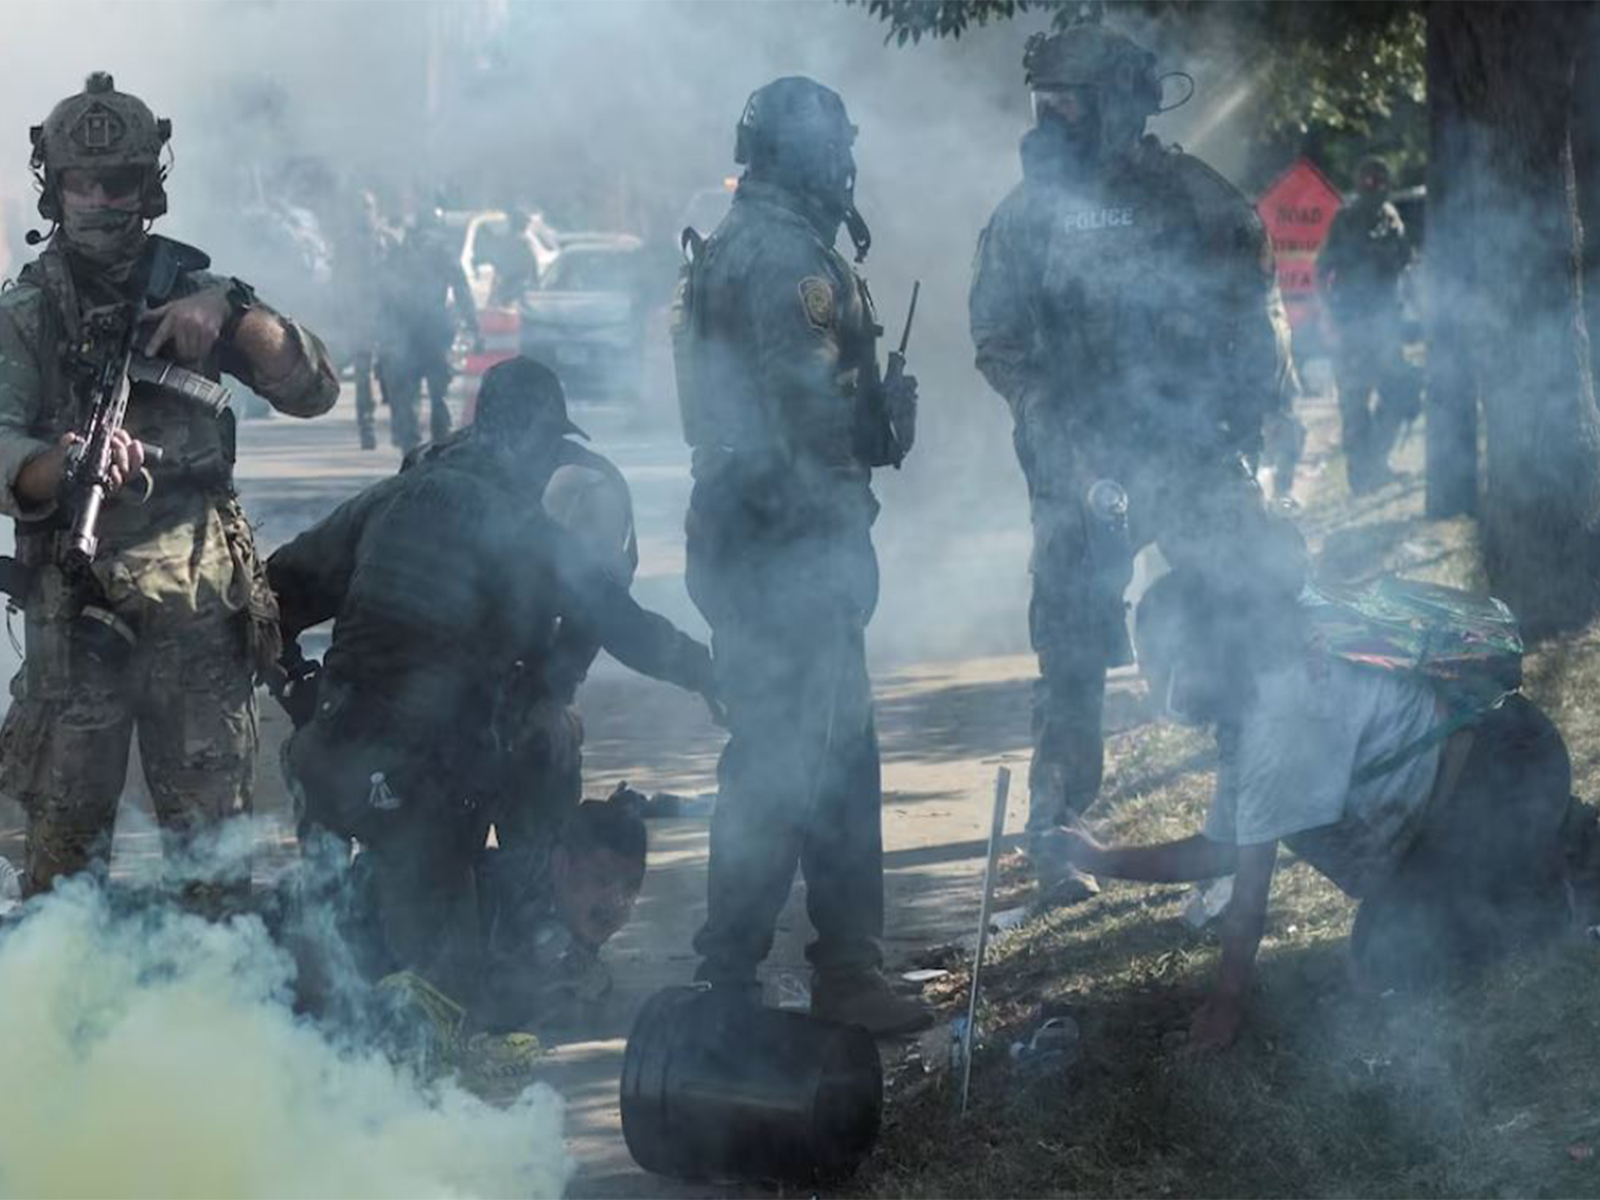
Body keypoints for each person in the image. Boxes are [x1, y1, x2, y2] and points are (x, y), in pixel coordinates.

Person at [266, 355, 718, 1005]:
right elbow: (627, 626)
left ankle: (320, 964)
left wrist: (305, 695)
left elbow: (270, 593)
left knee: (338, 956)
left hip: (328, 766)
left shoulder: (392, 497)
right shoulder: (526, 532)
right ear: (535, 441)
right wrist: (706, 671)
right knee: (451, 997)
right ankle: (530, 939)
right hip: (422, 793)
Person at [969, 19, 1293, 910]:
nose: (1049, 120)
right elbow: (998, 340)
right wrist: (1055, 434)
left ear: (1118, 104)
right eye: (1044, 103)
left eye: (1067, 104)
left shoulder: (1196, 197)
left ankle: (1264, 806)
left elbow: (1257, 321)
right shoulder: (1026, 215)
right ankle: (1055, 843)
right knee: (1069, 654)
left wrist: (1242, 430)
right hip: (1084, 469)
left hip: (1189, 455)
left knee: (1252, 609)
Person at [0, 72, 339, 900]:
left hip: (199, 621)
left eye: (120, 183)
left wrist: (234, 319)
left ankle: (209, 1025)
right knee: (62, 882)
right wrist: (65, 462)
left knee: (214, 873)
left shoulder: (197, 293)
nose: (102, 201)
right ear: (55, 189)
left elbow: (315, 388)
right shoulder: (25, 316)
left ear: (150, 188)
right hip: (74, 628)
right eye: (84, 182)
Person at [1060, 556, 1595, 1052]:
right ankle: (1563, 842)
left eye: (1161, 669)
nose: (1155, 689)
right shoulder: (1253, 696)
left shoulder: (1278, 715)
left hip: (1502, 777)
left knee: (1387, 964)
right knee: (1384, 952)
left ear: (1199, 656)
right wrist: (1102, 859)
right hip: (1494, 777)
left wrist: (1225, 1006)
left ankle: (1558, 893)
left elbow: (1248, 894)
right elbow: (1221, 849)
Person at [671, 75, 927, 1035]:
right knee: (793, 760)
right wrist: (873, 433)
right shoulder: (787, 259)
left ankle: (794, 969)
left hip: (751, 529)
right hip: (789, 536)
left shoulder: (740, 242)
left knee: (825, 750)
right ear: (812, 153)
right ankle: (759, 976)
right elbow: (805, 410)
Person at [473, 793, 647, 1034]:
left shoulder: (570, 911)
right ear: (561, 864)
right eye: (602, 878)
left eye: (631, 885)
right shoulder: (493, 905)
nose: (616, 901)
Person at [1318, 157, 1420, 494]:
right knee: (1354, 402)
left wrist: (1414, 309)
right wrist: (1331, 313)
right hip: (1353, 325)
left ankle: (1375, 462)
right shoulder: (1345, 220)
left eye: (1380, 181)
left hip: (1386, 323)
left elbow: (1407, 264)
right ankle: (1362, 476)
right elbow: (1322, 271)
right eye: (1368, 181)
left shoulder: (1391, 218)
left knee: (1399, 394)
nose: (1374, 187)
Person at [375, 204, 478, 452]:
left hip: (407, 328)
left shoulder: (401, 249)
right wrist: (473, 323)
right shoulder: (443, 249)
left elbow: (384, 291)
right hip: (434, 327)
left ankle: (410, 448)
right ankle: (440, 447)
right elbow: (461, 287)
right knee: (439, 393)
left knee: (408, 392)